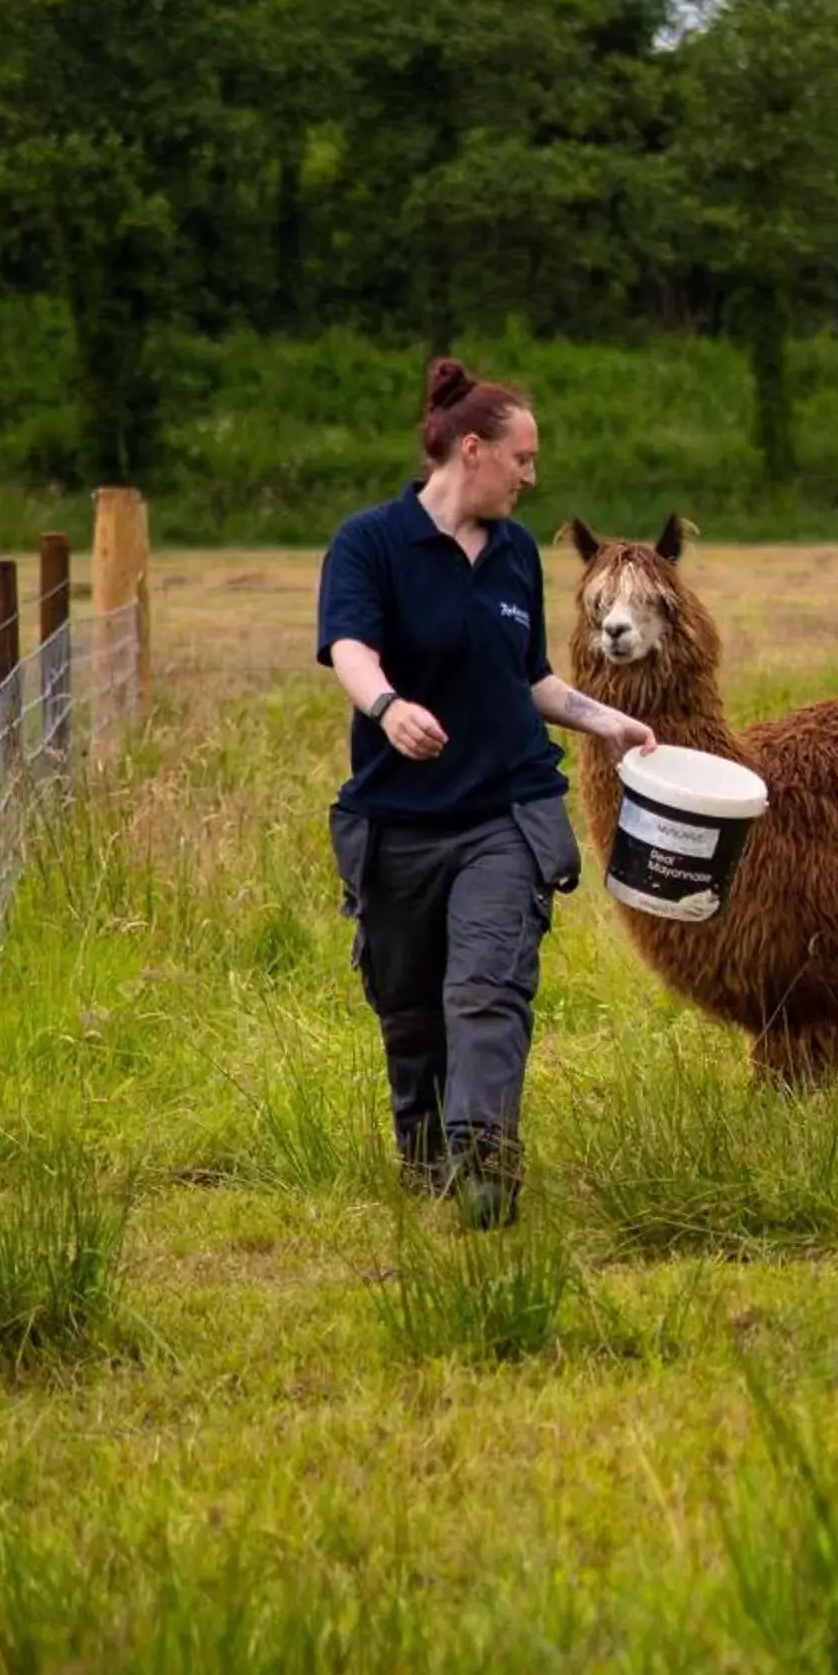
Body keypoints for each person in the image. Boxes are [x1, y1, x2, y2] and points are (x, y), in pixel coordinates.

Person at [316, 356, 654, 1225]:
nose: (533, 478)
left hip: (506, 811)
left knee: (487, 988)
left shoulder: (510, 556)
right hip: (396, 821)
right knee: (411, 1005)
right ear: (474, 450)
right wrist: (386, 708)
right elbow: (350, 647)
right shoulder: (371, 542)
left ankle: (486, 1166)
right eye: (524, 459)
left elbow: (529, 678)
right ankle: (426, 1153)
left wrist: (602, 720)